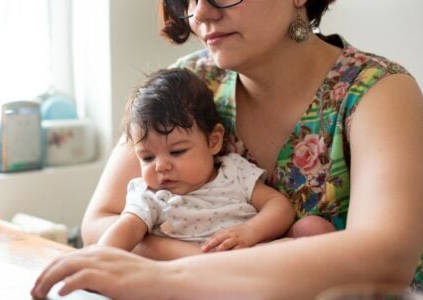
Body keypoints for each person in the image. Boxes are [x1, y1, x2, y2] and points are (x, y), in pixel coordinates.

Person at [32, 0, 423, 299]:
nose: (200, 14)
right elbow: (99, 222)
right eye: (188, 0)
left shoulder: (379, 90)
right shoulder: (190, 83)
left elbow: (387, 257)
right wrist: (200, 261)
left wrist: (171, 275)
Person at [99, 68, 329, 253]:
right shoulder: (149, 196)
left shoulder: (233, 171)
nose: (160, 166)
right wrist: (98, 259)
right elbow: (125, 230)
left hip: (253, 255)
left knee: (313, 228)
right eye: (147, 157)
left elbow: (278, 206)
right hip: (193, 272)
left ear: (213, 141)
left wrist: (250, 231)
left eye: (177, 152)